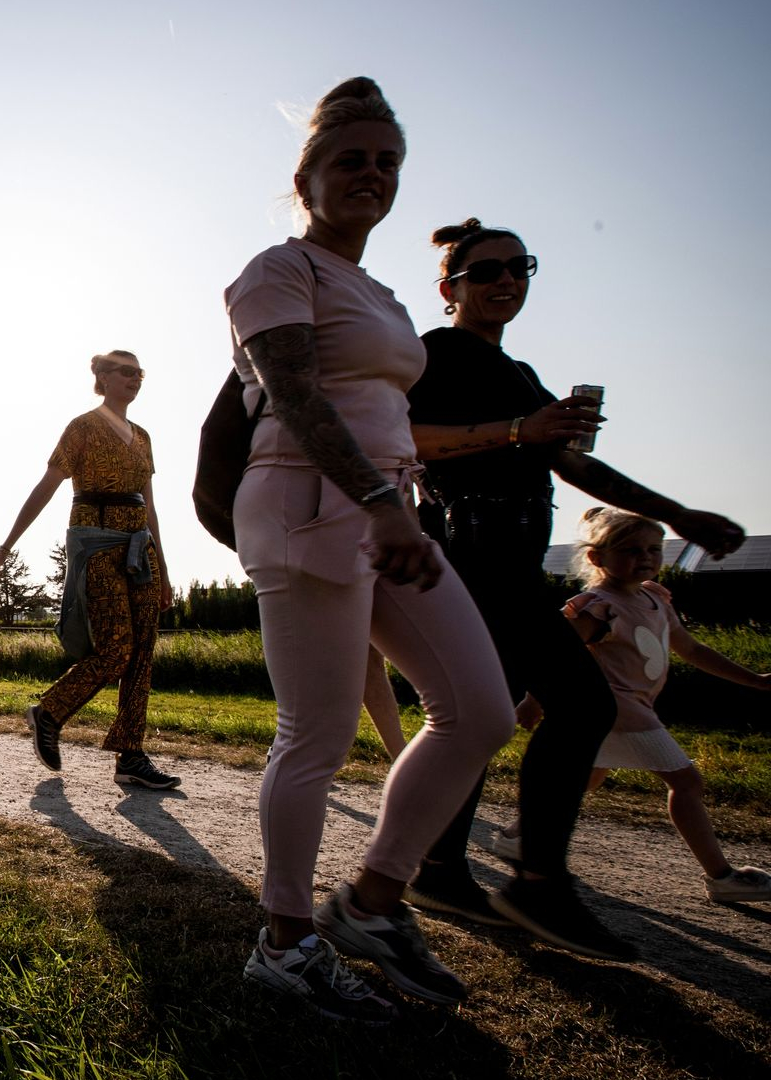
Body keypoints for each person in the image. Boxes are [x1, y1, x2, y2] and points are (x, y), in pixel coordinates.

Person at [224, 78, 517, 1022]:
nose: (373, 175)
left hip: (388, 513)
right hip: (309, 501)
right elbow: (297, 395)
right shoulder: (279, 269)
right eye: (351, 159)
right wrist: (382, 500)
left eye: (388, 162)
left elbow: (388, 407)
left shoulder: (381, 293)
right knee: (315, 735)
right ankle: (284, 941)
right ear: (305, 175)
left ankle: (374, 902)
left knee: (478, 710)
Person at [399, 217, 748, 957]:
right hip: (472, 554)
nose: (505, 281)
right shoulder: (440, 353)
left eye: (518, 267)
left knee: (482, 719)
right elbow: (413, 441)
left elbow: (578, 467)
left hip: (517, 562)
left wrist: (676, 512)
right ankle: (534, 882)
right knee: (582, 703)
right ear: (449, 288)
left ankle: (438, 868)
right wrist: (522, 430)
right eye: (486, 271)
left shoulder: (520, 373)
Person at [486, 510, 770, 904]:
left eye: (654, 549)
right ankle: (722, 876)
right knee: (687, 783)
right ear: (596, 558)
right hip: (616, 708)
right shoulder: (599, 606)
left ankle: (521, 836)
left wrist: (756, 680)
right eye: (631, 550)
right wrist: (534, 700)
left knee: (590, 774)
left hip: (635, 706)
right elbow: (554, 656)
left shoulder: (654, 597)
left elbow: (691, 649)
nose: (646, 557)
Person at [0, 351, 176, 786]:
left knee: (142, 655)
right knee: (116, 648)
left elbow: (149, 506)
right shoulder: (83, 427)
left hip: (141, 552)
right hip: (98, 546)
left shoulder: (144, 437)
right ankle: (49, 711)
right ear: (103, 378)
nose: (136, 379)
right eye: (127, 372)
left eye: (141, 373)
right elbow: (46, 487)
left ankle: (130, 755)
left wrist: (165, 569)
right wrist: (5, 548)